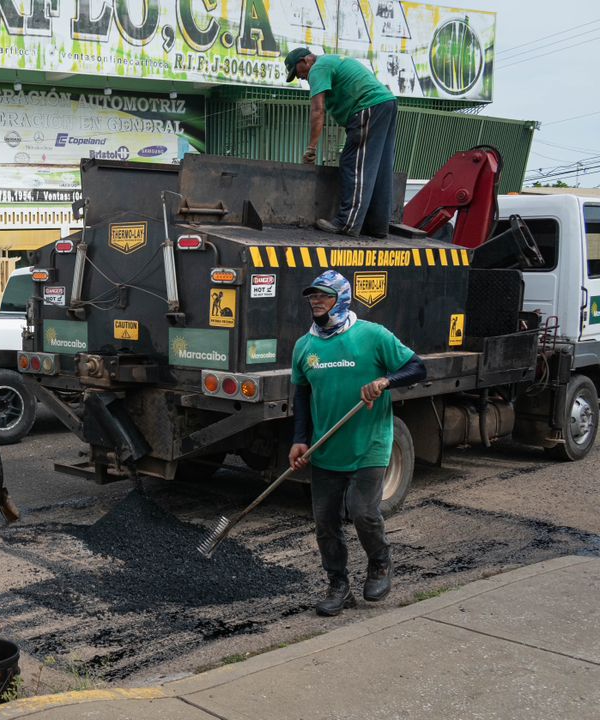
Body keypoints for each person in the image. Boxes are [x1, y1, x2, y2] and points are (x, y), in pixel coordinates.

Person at [288, 271, 425, 616]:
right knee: (325, 524)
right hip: (326, 447)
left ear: (342, 299)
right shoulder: (305, 346)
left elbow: (417, 368)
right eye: (312, 297)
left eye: (323, 296)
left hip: (370, 443)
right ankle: (338, 585)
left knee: (364, 513)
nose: (315, 302)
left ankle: (380, 563)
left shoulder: (372, 336)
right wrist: (299, 440)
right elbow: (302, 397)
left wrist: (385, 380)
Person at [285, 47, 398, 239]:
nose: (300, 78)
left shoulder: (318, 68)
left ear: (306, 61)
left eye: (298, 72)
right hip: (386, 103)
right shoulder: (332, 61)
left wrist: (311, 148)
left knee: (352, 163)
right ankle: (377, 226)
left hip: (368, 106)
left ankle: (347, 222)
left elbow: (318, 110)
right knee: (378, 169)